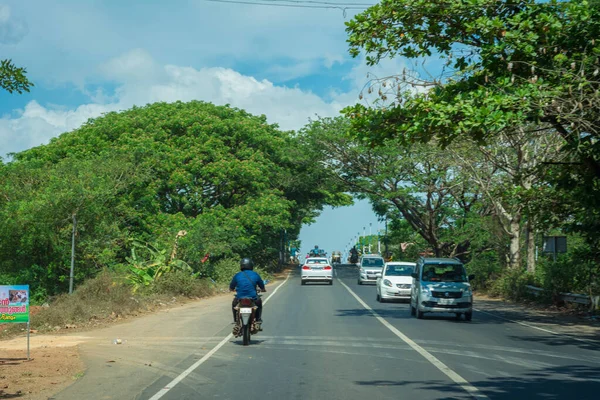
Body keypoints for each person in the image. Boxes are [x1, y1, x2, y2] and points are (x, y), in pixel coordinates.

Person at [229, 257, 266, 325]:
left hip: (240, 298)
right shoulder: (255, 274)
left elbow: (231, 287)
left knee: (234, 303)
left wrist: (232, 289)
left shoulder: (237, 275)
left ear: (241, 266)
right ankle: (258, 319)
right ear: (251, 265)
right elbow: (261, 285)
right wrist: (263, 289)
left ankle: (235, 320)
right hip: (252, 297)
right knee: (259, 302)